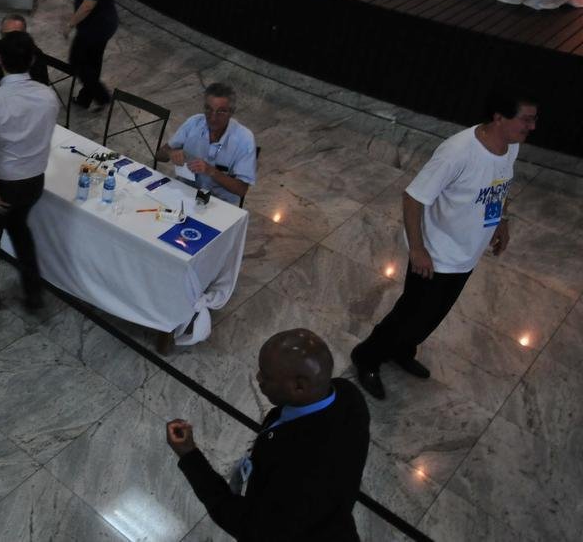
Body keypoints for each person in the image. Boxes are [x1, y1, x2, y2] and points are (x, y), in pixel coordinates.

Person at [351, 90, 536, 400]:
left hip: (467, 254)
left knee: (432, 316)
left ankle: (402, 350)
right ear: (499, 117)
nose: (532, 126)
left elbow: (499, 184)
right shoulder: (457, 153)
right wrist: (419, 249)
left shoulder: (510, 147)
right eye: (526, 119)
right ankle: (367, 356)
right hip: (436, 255)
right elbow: (413, 197)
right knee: (409, 314)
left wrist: (502, 219)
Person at [166, 329, 369, 541]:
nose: (258, 378)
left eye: (267, 376)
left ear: (299, 386)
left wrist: (190, 456)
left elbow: (247, 525)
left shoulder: (300, 474)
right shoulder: (347, 393)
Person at [0, 31, 58, 312]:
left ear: (0, 60)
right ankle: (33, 293)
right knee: (20, 231)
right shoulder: (48, 96)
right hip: (33, 182)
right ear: (32, 60)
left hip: (2, 184)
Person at [155, 82, 257, 206]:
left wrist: (211, 171)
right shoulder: (194, 123)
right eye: (208, 109)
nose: (213, 118)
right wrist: (170, 153)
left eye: (221, 112)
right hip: (186, 192)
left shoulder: (244, 139)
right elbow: (159, 155)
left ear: (232, 112)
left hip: (220, 203)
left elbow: (241, 190)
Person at [63, 0, 122, 110]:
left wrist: (70, 24)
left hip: (96, 26)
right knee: (93, 61)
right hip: (103, 24)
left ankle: (101, 96)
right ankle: (85, 98)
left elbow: (88, 5)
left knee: (77, 60)